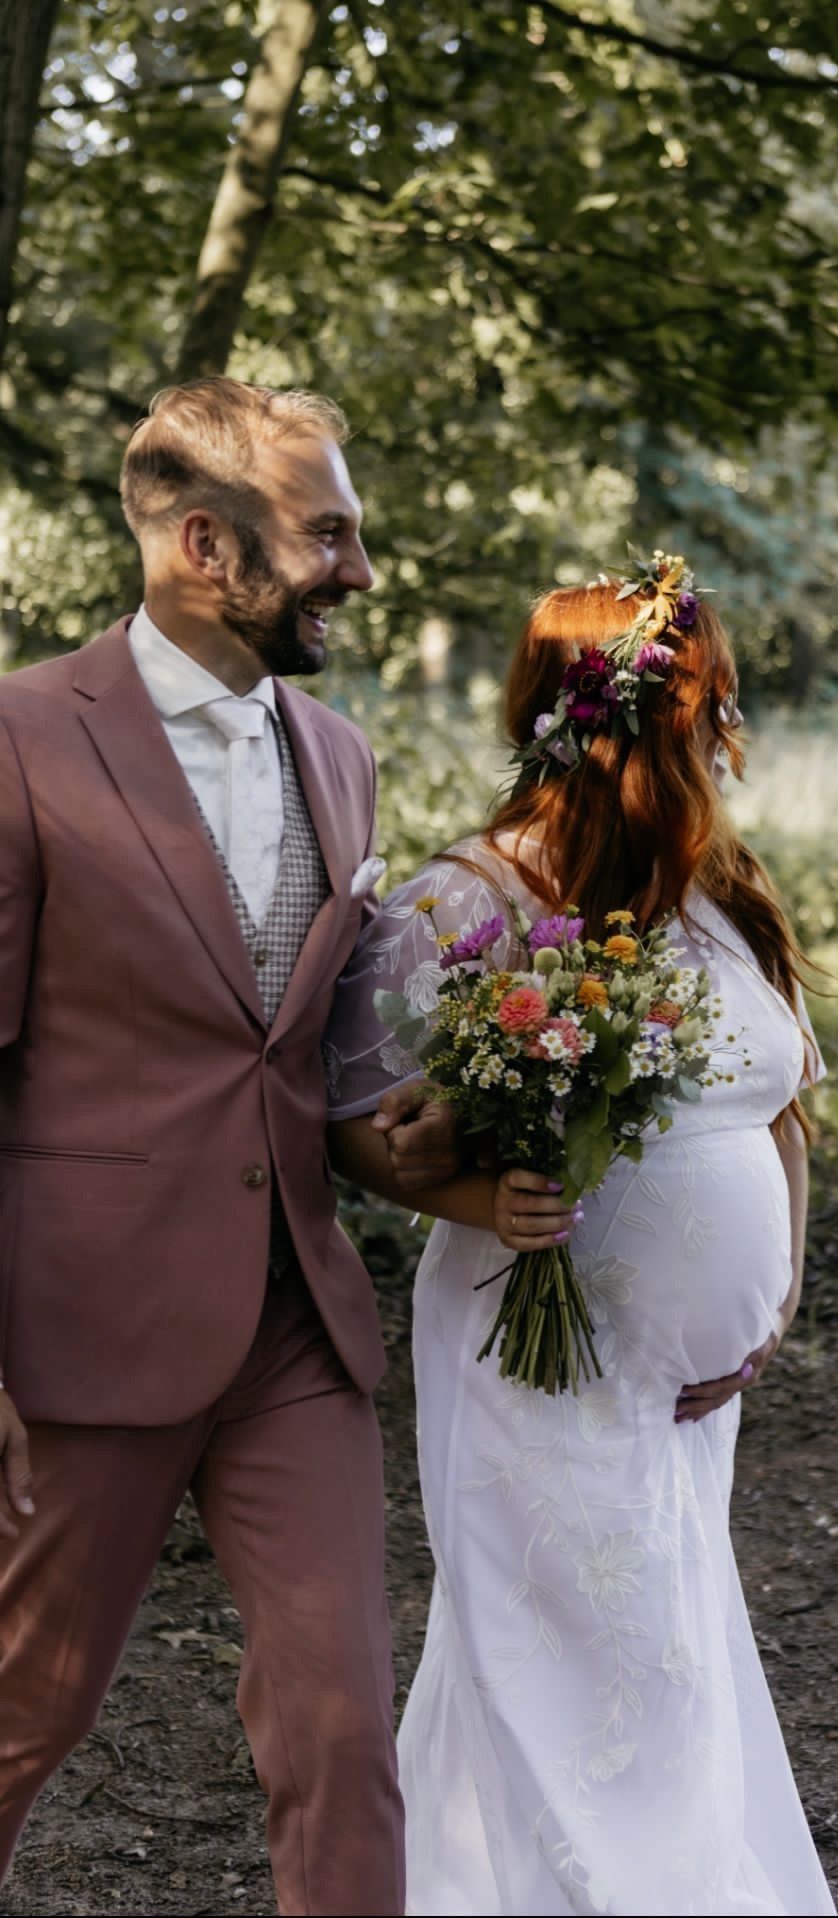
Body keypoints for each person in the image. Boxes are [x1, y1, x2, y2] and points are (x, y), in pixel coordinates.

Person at [0, 376, 453, 1916]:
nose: (362, 568)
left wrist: (490, 1145)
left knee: (342, 1733)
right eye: (330, 533)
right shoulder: (20, 738)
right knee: (25, 1713)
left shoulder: (338, 751)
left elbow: (330, 1059)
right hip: (82, 1331)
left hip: (295, 1331)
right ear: (207, 540)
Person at [327, 565, 837, 1916]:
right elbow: (347, 1126)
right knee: (565, 1653)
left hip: (685, 1396)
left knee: (660, 1640)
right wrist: (479, 1201)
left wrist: (777, 1293)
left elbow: (784, 1106)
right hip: (533, 1352)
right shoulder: (462, 901)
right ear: (644, 715)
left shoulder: (717, 891)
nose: (728, 724)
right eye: (708, 695)